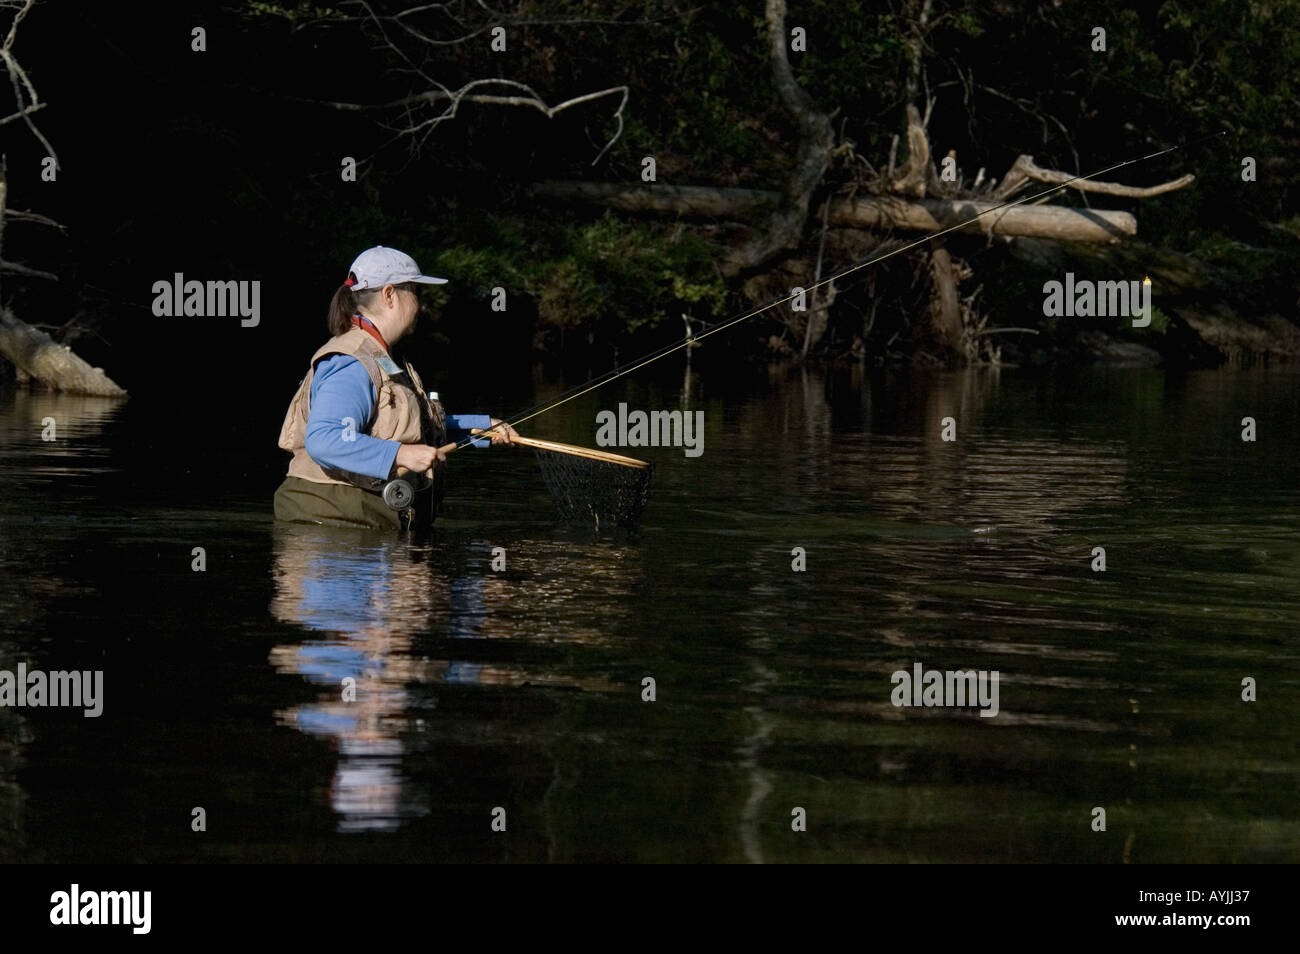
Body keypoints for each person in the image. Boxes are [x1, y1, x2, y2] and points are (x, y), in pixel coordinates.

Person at [274, 245, 517, 531]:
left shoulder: (382, 356)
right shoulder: (352, 361)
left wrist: (478, 428)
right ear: (390, 295)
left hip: (349, 527)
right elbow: (325, 438)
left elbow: (402, 427)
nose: (421, 304)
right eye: (415, 292)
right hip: (327, 528)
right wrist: (401, 455)